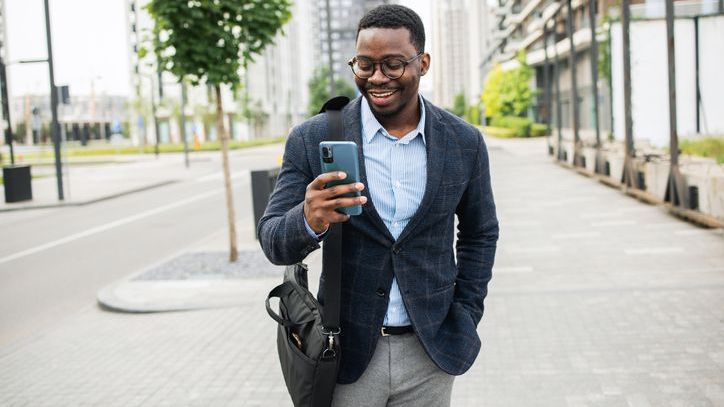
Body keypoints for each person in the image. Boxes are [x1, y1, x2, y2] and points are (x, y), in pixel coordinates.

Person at [258, 4, 498, 406]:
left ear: (422, 63)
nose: (377, 78)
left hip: (431, 352)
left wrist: (466, 314)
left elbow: (480, 233)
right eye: (365, 64)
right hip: (347, 353)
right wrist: (308, 219)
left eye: (392, 64)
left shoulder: (464, 142)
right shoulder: (312, 139)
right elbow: (272, 240)